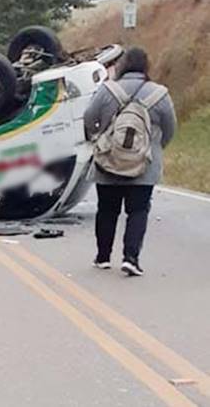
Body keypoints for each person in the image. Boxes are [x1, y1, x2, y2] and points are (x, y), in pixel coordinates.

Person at [84, 47, 176, 276]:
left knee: (107, 209)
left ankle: (103, 256)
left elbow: (89, 117)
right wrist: (154, 148)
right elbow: (170, 128)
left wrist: (97, 137)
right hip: (143, 166)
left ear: (123, 65)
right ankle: (131, 258)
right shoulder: (160, 94)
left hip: (109, 162)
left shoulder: (107, 90)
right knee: (138, 210)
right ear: (146, 66)